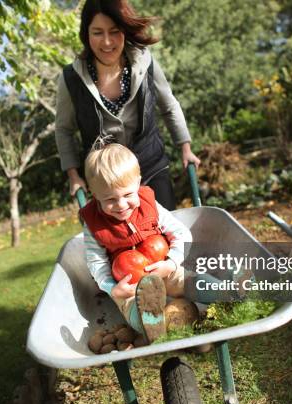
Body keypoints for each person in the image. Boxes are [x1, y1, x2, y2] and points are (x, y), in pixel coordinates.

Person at [55, 0, 200, 211]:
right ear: (86, 34)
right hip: (105, 180)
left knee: (165, 235)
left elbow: (169, 105)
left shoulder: (145, 61)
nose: (106, 42)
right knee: (117, 243)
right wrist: (73, 175)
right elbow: (63, 129)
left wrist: (185, 148)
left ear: (125, 30)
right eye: (97, 32)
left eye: (114, 31)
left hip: (151, 167)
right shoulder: (71, 78)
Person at [79, 143, 192, 343]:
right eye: (110, 199)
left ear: (138, 183)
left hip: (163, 266)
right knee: (130, 305)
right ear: (95, 196)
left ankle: (224, 289)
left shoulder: (149, 204)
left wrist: (172, 262)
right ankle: (152, 326)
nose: (121, 205)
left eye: (128, 195)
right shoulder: (93, 224)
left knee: (186, 280)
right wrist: (112, 287)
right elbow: (95, 262)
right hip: (128, 284)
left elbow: (182, 233)